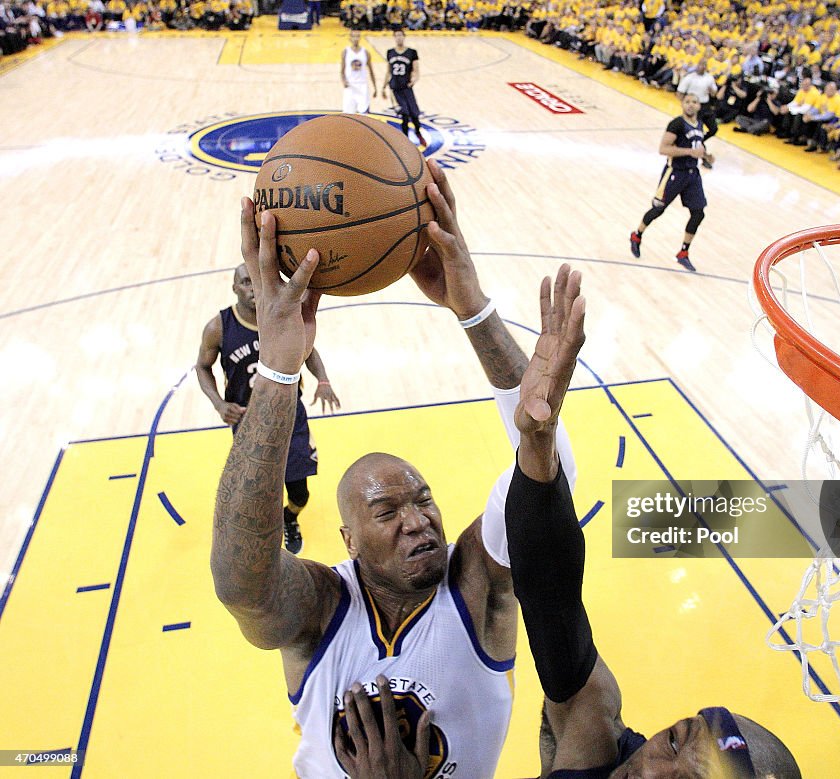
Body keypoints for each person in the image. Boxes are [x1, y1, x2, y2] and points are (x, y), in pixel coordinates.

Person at [332, 259, 802, 779]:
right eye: (672, 741)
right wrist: (535, 433)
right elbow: (550, 594)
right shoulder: (594, 743)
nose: (648, 770)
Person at [212, 160, 577, 778]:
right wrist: (277, 369)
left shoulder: (476, 590)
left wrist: (472, 309)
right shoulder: (323, 607)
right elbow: (240, 580)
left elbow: (547, 488)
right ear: (347, 542)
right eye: (386, 510)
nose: (418, 520)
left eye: (423, 499)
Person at [196, 264, 340, 554]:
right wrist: (218, 403)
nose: (252, 288)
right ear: (234, 288)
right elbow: (202, 367)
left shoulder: (282, 317)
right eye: (245, 282)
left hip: (290, 416)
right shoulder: (219, 327)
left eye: (256, 281)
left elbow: (308, 350)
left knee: (299, 492)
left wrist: (322, 380)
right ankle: (268, 531)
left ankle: (290, 518)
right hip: (248, 421)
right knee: (261, 491)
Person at [629, 92, 711, 272]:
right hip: (675, 173)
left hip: (693, 175)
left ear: (699, 106)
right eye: (687, 102)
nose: (690, 105)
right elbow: (663, 149)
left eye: (694, 102)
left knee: (698, 213)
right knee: (658, 209)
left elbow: (697, 148)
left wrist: (705, 155)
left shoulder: (699, 124)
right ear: (683, 105)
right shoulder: (676, 124)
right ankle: (637, 235)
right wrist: (690, 152)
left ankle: (683, 253)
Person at [384, 28, 426, 146]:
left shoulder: (412, 52)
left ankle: (418, 132)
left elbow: (416, 70)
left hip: (407, 86)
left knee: (414, 113)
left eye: (400, 35)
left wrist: (414, 80)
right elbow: (388, 71)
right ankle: (405, 140)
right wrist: (383, 87)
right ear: (394, 37)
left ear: (404, 36)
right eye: (396, 35)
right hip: (395, 88)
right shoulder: (390, 52)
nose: (398, 38)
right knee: (405, 114)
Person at [676, 60, 718, 167]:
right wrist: (686, 105)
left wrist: (711, 91)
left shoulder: (709, 78)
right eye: (700, 65)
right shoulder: (690, 78)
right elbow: (680, 92)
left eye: (704, 65)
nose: (701, 67)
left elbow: (714, 93)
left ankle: (696, 140)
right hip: (694, 107)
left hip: (705, 105)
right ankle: (704, 159)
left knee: (713, 129)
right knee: (698, 130)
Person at [341, 30, 377, 115]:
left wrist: (375, 87)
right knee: (348, 115)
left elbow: (371, 71)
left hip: (362, 86)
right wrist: (344, 81)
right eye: (353, 36)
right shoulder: (346, 52)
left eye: (357, 36)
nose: (355, 39)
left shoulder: (365, 52)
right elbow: (342, 71)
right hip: (350, 86)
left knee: (364, 115)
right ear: (350, 38)